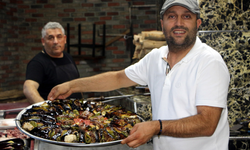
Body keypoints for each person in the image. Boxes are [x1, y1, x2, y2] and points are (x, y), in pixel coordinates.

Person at [47, 0, 230, 149]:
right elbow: (118, 78)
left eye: (186, 16)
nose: (179, 23)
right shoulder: (156, 57)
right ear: (162, 23)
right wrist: (71, 85)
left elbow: (207, 124)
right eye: (171, 16)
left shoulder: (209, 62)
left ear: (197, 23)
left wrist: (156, 127)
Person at [23, 22, 82, 104]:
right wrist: (45, 108)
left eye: (59, 37)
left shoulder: (68, 57)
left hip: (76, 110)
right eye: (50, 38)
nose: (55, 41)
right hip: (56, 113)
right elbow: (28, 87)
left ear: (65, 39)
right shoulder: (37, 63)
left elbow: (76, 84)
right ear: (43, 41)